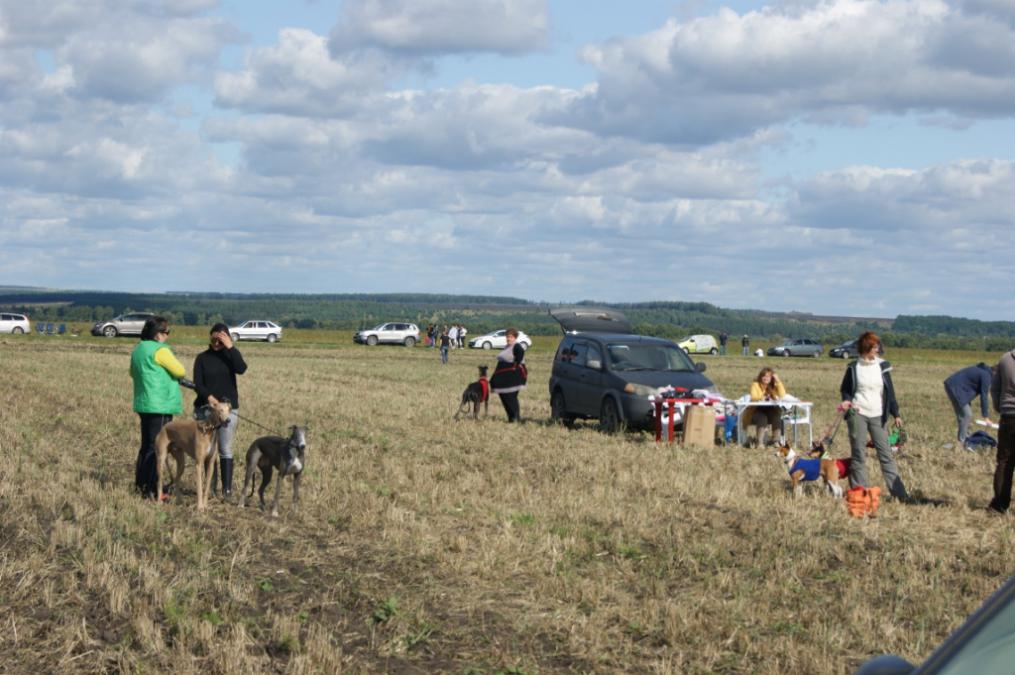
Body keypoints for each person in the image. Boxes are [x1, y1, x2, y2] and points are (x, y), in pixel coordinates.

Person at [840, 331, 909, 502]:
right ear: (865, 348)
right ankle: (859, 493)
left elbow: (890, 392)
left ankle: (900, 495)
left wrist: (896, 413)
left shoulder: (882, 366)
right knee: (858, 454)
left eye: (878, 346)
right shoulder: (853, 367)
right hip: (858, 413)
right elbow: (846, 389)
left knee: (886, 454)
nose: (877, 349)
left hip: (878, 414)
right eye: (874, 346)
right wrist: (847, 400)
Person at [130, 316, 192, 500]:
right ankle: (153, 489)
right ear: (157, 334)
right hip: (160, 404)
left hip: (144, 402)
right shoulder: (161, 350)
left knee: (146, 446)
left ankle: (141, 485)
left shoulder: (138, 349)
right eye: (166, 332)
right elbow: (180, 370)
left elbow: (132, 372)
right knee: (157, 447)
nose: (167, 336)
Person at [193, 323, 247, 497]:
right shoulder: (202, 358)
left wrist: (230, 347)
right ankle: (210, 488)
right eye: (214, 338)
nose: (217, 342)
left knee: (225, 448)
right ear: (210, 337)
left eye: (221, 339)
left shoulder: (230, 356)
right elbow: (198, 384)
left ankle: (227, 490)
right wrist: (209, 397)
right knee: (207, 449)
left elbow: (242, 368)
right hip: (205, 408)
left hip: (227, 410)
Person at [988, 349, 1015, 514]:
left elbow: (995, 388)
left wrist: (1000, 407)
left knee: (1005, 462)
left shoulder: (1005, 359)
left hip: (1008, 417)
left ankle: (999, 505)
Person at [943, 363, 994, 451]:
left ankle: (965, 438)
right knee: (967, 415)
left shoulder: (983, 372)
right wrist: (986, 417)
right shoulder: (986, 376)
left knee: (963, 415)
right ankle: (962, 442)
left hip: (953, 386)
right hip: (955, 388)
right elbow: (984, 396)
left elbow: (968, 385)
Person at [490, 327, 527, 422]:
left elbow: (520, 352)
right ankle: (511, 417)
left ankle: (516, 418)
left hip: (513, 377)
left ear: (515, 337)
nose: (508, 338)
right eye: (507, 336)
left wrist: (516, 364)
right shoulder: (507, 347)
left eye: (510, 337)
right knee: (504, 396)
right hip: (504, 378)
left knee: (510, 397)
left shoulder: (516, 346)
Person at [748, 367, 785, 446]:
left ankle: (776, 441)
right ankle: (759, 443)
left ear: (771, 378)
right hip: (756, 410)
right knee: (762, 418)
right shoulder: (755, 385)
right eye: (764, 376)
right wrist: (761, 397)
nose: (766, 378)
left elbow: (782, 395)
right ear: (760, 377)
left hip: (770, 409)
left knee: (777, 416)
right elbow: (753, 397)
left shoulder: (773, 386)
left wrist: (778, 381)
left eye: (768, 376)